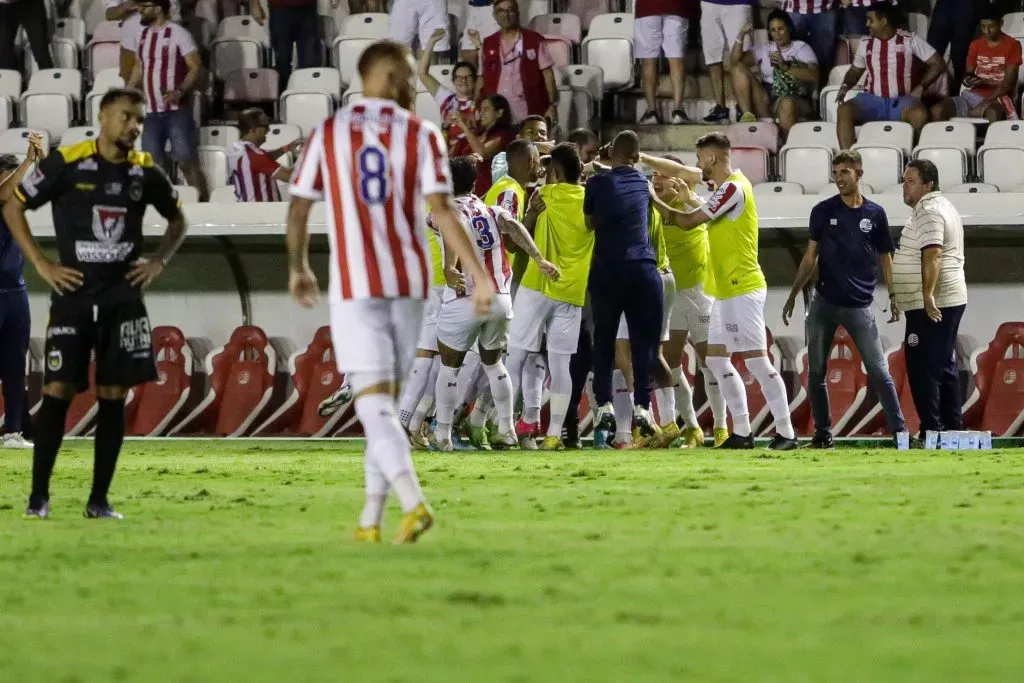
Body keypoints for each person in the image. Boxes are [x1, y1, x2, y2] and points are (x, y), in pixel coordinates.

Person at [286, 40, 495, 544]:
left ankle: (413, 501)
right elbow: (443, 210)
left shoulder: (332, 132)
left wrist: (297, 266)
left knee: (375, 403)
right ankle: (369, 521)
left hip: (359, 285)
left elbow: (298, 205)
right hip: (410, 282)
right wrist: (480, 273)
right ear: (373, 76)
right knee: (384, 402)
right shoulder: (420, 135)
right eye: (401, 76)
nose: (408, 86)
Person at [2, 88, 188, 519]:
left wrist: (159, 260)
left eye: (139, 120)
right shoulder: (68, 162)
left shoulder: (144, 170)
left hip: (123, 302)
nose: (134, 127)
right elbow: (13, 206)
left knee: (112, 397)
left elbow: (178, 219)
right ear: (103, 117)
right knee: (57, 393)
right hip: (73, 299)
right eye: (126, 117)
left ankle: (99, 501)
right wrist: (43, 264)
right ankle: (38, 499)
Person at [653, 132, 797, 450]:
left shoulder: (734, 186)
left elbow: (690, 221)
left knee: (758, 362)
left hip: (742, 286)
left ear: (713, 158)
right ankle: (742, 432)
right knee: (717, 361)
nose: (698, 165)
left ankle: (787, 433)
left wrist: (654, 200)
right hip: (723, 290)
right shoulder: (726, 189)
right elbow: (704, 211)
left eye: (701, 159)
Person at [432, 156, 559, 451]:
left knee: (449, 368)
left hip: (465, 297)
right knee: (495, 364)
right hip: (501, 298)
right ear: (476, 184)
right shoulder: (490, 208)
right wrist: (539, 258)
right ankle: (506, 429)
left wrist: (450, 267)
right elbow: (513, 224)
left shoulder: (446, 209)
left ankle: (443, 436)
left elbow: (452, 232)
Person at [781, 150, 906, 448]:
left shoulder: (875, 214)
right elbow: (810, 256)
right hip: (823, 304)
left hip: (860, 306)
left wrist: (894, 293)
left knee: (878, 371)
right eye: (835, 173)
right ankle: (823, 435)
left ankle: (901, 433)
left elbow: (886, 258)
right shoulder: (823, 210)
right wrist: (794, 293)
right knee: (816, 372)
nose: (838, 179)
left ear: (859, 174)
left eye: (844, 173)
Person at [506, 143, 592, 450]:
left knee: (514, 357)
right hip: (571, 291)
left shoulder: (544, 195)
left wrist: (531, 210)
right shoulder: (590, 201)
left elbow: (515, 239)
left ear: (554, 173)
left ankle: (505, 427)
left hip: (536, 285)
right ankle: (554, 433)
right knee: (560, 365)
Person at [641, 153, 729, 448]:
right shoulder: (649, 209)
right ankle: (691, 427)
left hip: (702, 293)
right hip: (672, 295)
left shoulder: (695, 202)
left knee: (711, 363)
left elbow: (703, 209)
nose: (657, 181)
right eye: (653, 177)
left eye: (662, 176)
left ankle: (721, 427)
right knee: (672, 365)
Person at [585, 132, 664, 443]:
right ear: (637, 156)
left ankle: (603, 402)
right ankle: (644, 406)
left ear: (611, 154)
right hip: (644, 269)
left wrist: (601, 166)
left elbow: (590, 223)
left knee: (603, 338)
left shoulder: (597, 183)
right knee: (645, 343)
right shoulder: (645, 182)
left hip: (607, 269)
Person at [892, 159, 967, 437]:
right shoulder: (940, 206)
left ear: (929, 184)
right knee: (942, 364)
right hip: (944, 300)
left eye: (911, 181)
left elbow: (933, 253)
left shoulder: (930, 210)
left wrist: (927, 296)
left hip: (935, 303)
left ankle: (931, 430)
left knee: (924, 366)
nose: (905, 186)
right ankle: (951, 429)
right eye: (904, 180)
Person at [127, 0, 209, 201]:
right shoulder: (142, 35)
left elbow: (195, 66)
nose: (139, 10)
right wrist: (128, 90)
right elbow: (139, 67)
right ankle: (165, 205)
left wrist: (179, 91)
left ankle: (203, 204)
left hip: (176, 111)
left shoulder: (178, 33)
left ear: (157, 8)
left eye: (143, 6)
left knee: (185, 160)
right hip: (151, 112)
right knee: (151, 163)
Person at [835, 2, 946, 150]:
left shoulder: (909, 40)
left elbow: (938, 63)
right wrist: (845, 86)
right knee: (844, 110)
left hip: (902, 101)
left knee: (919, 115)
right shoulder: (865, 43)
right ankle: (848, 159)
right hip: (872, 101)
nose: (867, 24)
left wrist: (921, 87)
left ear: (884, 21)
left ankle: (913, 160)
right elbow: (854, 72)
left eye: (870, 19)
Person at [0, 135, 46, 450]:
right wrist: (28, 161)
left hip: (15, 293)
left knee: (16, 365)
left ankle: (14, 432)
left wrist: (39, 161)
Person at [470, 0, 558, 124]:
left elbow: (548, 75)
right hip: (497, 116)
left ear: (517, 13)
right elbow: (481, 78)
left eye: (510, 10)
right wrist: (474, 108)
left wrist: (552, 105)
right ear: (495, 16)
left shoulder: (535, 40)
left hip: (529, 113)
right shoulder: (488, 43)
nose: (505, 15)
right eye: (500, 11)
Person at [731, 14, 818, 136]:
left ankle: (786, 146)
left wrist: (785, 67)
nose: (777, 33)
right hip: (766, 96)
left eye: (781, 28)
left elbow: (814, 76)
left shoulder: (802, 48)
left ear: (789, 28)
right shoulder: (766, 47)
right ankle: (747, 117)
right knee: (738, 68)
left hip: (792, 95)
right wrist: (741, 35)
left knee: (787, 102)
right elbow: (735, 62)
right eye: (773, 30)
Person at [931, 7, 1021, 123]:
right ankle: (950, 141)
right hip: (972, 96)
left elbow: (1008, 83)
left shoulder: (1013, 45)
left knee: (993, 113)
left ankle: (991, 141)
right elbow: (968, 74)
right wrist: (967, 80)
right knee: (937, 110)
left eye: (991, 26)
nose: (986, 31)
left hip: (998, 98)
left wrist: (985, 102)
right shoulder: (976, 45)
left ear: (1001, 24)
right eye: (983, 26)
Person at [418, 30, 480, 157]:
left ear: (474, 81)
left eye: (468, 77)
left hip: (473, 157)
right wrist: (431, 43)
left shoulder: (480, 101)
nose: (464, 81)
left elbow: (482, 74)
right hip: (451, 157)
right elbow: (422, 73)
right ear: (453, 81)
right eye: (459, 77)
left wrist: (479, 47)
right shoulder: (446, 98)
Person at [635, 0, 698, 125]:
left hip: (647, 7)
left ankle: (652, 110)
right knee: (676, 57)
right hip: (676, 6)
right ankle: (678, 109)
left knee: (648, 59)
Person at [249, 0, 329, 90]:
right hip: (279, 9)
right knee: (282, 64)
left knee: (310, 63)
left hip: (308, 8)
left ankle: (308, 99)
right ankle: (284, 99)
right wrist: (254, 4)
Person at [228, 108, 302, 202]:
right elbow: (288, 176)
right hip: (263, 212)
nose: (268, 130)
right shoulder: (255, 155)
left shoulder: (237, 150)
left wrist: (286, 148)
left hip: (245, 208)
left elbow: (263, 160)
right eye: (265, 126)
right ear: (253, 129)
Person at [700, 0, 754, 124]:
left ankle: (743, 106)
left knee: (741, 53)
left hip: (739, 2)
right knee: (712, 53)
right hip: (710, 2)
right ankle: (720, 108)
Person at [454, 94, 516, 197]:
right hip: (462, 192)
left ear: (499, 113)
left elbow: (482, 153)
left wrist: (464, 127)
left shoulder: (503, 134)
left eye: (486, 109)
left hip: (486, 194)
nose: (481, 113)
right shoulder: (474, 136)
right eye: (481, 110)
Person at [109, 0, 182, 82]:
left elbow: (175, 15)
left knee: (165, 80)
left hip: (163, 39)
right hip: (130, 43)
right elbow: (109, 15)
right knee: (130, 80)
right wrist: (128, 5)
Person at [927, 0, 982, 93]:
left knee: (960, 52)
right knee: (932, 50)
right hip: (944, 4)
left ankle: (962, 92)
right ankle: (926, 90)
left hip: (968, 4)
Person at [782, 0, 836, 77]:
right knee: (792, 55)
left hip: (825, 7)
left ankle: (822, 85)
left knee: (824, 56)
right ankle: (794, 86)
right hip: (794, 8)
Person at [0, 0, 53, 71]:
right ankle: (8, 81)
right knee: (3, 54)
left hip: (31, 5)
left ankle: (49, 80)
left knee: (41, 53)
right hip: (4, 7)